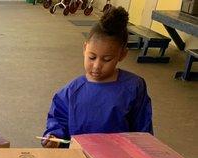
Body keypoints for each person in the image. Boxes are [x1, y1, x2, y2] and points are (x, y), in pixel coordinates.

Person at [42, 7, 153, 148]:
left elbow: (143, 131)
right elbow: (58, 119)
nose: (96, 65)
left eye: (106, 59)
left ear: (122, 55)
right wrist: (53, 137)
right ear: (84, 49)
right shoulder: (72, 90)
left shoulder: (134, 86)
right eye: (92, 57)